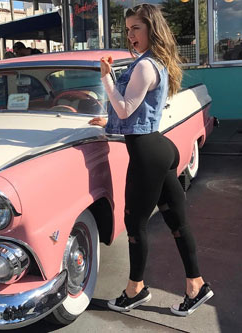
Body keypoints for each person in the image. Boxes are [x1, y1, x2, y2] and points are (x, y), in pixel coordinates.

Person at [88, 4, 214, 316]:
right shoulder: (152, 62)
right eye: (128, 29)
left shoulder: (144, 67)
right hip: (158, 148)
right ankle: (197, 285)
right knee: (176, 222)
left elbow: (126, 109)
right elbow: (137, 113)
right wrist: (109, 124)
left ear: (151, 30)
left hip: (146, 152)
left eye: (136, 28)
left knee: (135, 224)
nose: (130, 35)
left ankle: (135, 290)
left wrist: (107, 77)